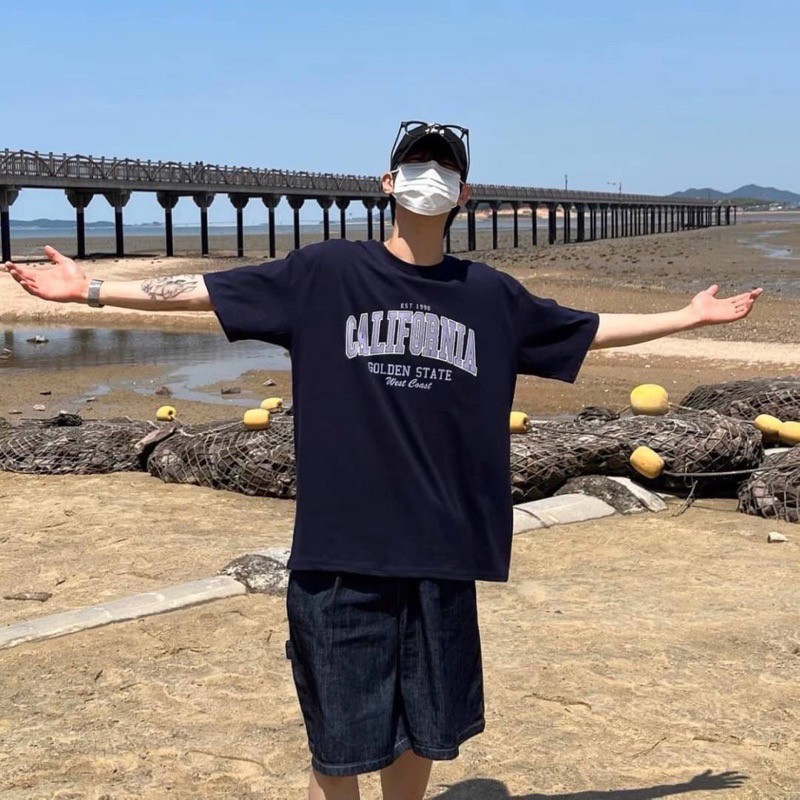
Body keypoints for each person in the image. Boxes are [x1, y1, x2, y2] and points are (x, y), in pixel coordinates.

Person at [5, 120, 762, 800]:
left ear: (463, 194)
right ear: (388, 183)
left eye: (445, 167)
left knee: (424, 731)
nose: (432, 176)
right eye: (418, 164)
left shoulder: (489, 295)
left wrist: (688, 316)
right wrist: (91, 289)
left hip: (443, 545)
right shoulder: (324, 273)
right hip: (342, 546)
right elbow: (200, 291)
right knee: (337, 744)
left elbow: (585, 327)